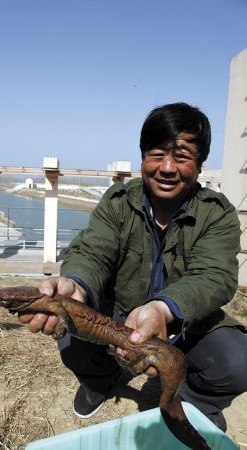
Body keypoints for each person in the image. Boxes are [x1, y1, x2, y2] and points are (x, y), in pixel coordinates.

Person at [19, 103, 247, 431]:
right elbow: (93, 252)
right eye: (157, 153)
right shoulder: (117, 201)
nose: (167, 167)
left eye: (182, 156)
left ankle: (194, 402)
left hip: (188, 323)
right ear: (143, 157)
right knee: (70, 337)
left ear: (199, 165)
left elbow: (215, 276)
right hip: (121, 320)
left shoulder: (218, 213)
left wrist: (164, 309)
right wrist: (77, 284)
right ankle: (100, 381)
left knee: (238, 362)